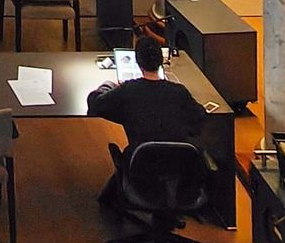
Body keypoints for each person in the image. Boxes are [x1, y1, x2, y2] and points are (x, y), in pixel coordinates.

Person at [88, 31, 206, 189]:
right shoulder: (179, 91)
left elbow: (95, 104)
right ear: (161, 61)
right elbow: (198, 119)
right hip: (179, 172)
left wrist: (108, 85)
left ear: (138, 62)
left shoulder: (129, 90)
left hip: (142, 173)